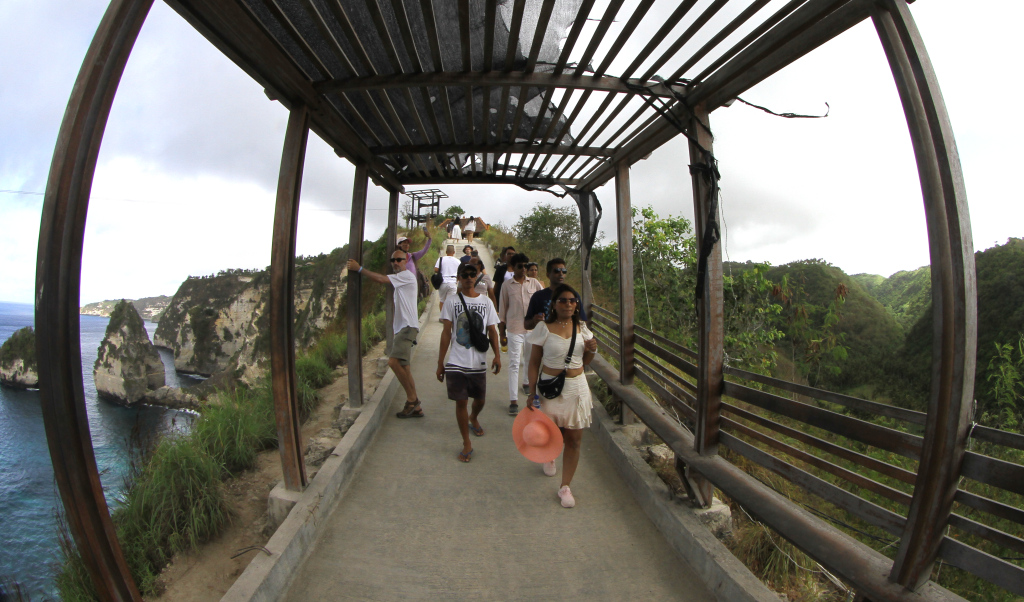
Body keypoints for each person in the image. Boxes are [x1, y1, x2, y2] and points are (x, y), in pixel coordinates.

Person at [525, 284, 598, 507]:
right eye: (563, 300)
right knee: (551, 432)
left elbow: (584, 363)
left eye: (572, 301)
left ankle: (565, 487)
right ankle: (550, 454)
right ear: (554, 305)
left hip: (577, 388)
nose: (568, 304)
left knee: (574, 439)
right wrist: (532, 389)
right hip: (550, 389)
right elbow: (535, 361)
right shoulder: (543, 328)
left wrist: (592, 350)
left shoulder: (583, 329)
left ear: (577, 305)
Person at [436, 262, 501, 462]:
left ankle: (474, 417)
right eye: (465, 274)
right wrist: (441, 362)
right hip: (457, 361)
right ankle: (466, 442)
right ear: (459, 278)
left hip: (478, 362)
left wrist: (497, 355)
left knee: (480, 400)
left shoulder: (486, 302)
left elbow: (492, 330)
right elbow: (446, 332)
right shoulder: (451, 301)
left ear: (476, 277)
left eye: (472, 274)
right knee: (461, 401)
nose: (469, 277)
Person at [346, 252, 424, 418]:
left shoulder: (406, 275)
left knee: (393, 362)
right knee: (405, 368)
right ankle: (416, 406)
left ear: (406, 261)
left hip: (407, 327)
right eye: (392, 260)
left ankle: (412, 400)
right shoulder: (402, 279)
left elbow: (381, 279)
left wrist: (359, 269)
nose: (395, 262)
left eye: (399, 260)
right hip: (404, 327)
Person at [498, 253, 544, 415]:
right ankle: (513, 400)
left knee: (531, 361)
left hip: (533, 330)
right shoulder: (507, 285)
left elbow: (545, 302)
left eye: (525, 266)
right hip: (514, 328)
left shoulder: (535, 284)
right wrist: (501, 333)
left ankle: (527, 384)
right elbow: (502, 310)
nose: (523, 269)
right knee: (514, 363)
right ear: (513, 267)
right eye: (520, 266)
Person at [525, 258, 588, 331]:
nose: (561, 274)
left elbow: (582, 321)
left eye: (564, 271)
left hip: (569, 339)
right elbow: (526, 325)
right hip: (546, 339)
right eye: (556, 271)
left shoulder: (573, 295)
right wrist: (534, 321)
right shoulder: (538, 296)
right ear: (548, 275)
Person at [398, 226, 431, 298]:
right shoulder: (396, 258)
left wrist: (429, 239)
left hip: (413, 288)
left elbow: (424, 251)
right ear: (399, 245)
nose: (407, 245)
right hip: (402, 289)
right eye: (404, 243)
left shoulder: (412, 256)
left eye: (407, 243)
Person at [434, 245, 461, 313]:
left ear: (446, 252)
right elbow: (460, 273)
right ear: (454, 252)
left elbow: (436, 269)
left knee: (442, 300)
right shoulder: (458, 261)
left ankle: (442, 317)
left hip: (443, 282)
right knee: (450, 301)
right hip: (453, 282)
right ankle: (449, 317)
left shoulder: (441, 259)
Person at [492, 246, 517, 311]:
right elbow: (496, 286)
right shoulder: (500, 269)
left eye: (513, 254)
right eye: (509, 254)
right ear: (505, 256)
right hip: (502, 298)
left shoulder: (519, 269)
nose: (511, 255)